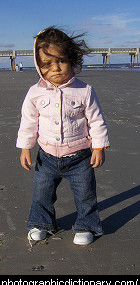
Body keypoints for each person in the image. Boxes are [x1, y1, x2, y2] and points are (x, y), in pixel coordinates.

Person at [16, 26, 110, 246]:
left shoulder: (84, 90)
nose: (55, 68)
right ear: (39, 67)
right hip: (46, 156)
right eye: (47, 64)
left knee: (85, 194)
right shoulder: (34, 93)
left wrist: (99, 147)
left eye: (61, 61)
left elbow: (96, 120)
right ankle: (41, 224)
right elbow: (29, 122)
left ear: (72, 59)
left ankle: (87, 225)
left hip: (79, 156)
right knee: (42, 193)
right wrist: (25, 147)